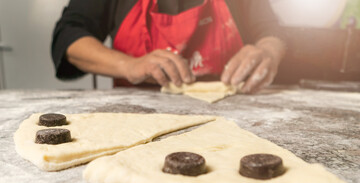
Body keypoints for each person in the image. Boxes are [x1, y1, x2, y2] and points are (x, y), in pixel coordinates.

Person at [52, 0, 286, 93]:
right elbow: (69, 35)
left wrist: (268, 51)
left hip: (233, 114)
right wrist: (129, 65)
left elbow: (271, 30)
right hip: (136, 117)